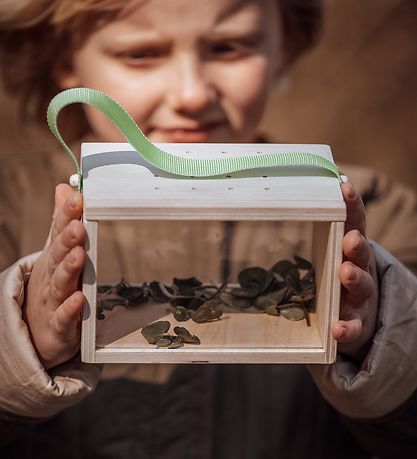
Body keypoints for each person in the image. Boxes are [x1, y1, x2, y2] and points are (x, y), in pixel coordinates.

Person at [0, 0, 416, 457]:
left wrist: (388, 343)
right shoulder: (10, 207)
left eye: (228, 46)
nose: (193, 94)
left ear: (285, 45)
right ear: (63, 58)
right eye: (140, 54)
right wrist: (18, 346)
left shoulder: (384, 214)